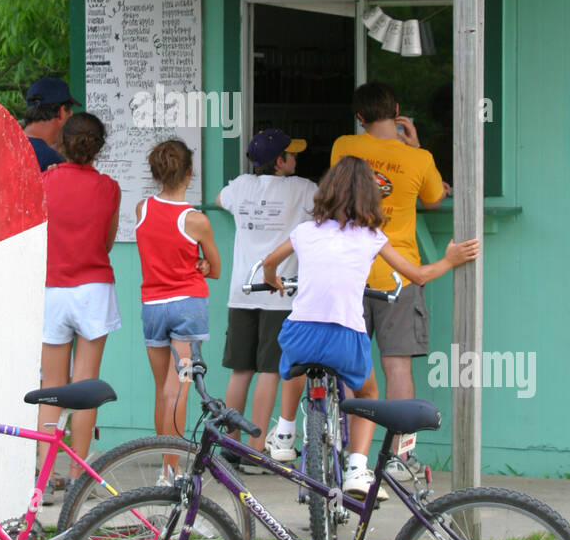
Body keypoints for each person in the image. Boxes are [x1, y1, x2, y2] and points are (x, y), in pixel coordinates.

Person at [263, 156, 478, 498]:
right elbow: (418, 276)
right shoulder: (371, 237)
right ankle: (356, 469)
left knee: (292, 366)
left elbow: (270, 261)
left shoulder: (305, 231)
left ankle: (286, 432)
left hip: (301, 332)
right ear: (369, 197)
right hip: (345, 337)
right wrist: (450, 260)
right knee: (367, 393)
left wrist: (272, 280)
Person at [330, 80, 449, 477]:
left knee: (352, 367)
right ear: (397, 110)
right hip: (398, 273)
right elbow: (433, 198)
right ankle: (400, 456)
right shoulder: (419, 159)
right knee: (397, 367)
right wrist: (413, 147)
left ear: (359, 117)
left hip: (349, 272)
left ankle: (354, 455)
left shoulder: (344, 147)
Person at [216, 129, 317, 469]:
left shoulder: (240, 186)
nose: (296, 159)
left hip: (241, 292)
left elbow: (220, 199)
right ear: (279, 161)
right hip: (279, 292)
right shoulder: (303, 189)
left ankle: (230, 443)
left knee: (241, 369)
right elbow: (327, 208)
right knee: (270, 370)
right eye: (292, 155)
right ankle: (255, 448)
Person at [40, 113, 121, 478]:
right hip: (93, 289)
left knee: (51, 383)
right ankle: (77, 473)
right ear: (98, 148)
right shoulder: (110, 188)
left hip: (53, 286)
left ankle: (44, 473)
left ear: (62, 142)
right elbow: (106, 242)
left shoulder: (44, 182)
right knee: (86, 382)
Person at [135, 139, 221, 446]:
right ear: (190, 172)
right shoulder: (196, 220)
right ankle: (174, 471)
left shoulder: (142, 208)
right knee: (180, 387)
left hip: (153, 307)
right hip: (188, 309)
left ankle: (163, 467)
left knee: (162, 389)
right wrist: (201, 264)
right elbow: (216, 267)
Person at [23, 77, 79, 171]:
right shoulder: (50, 159)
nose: (71, 114)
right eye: (69, 110)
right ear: (61, 112)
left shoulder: (5, 145)